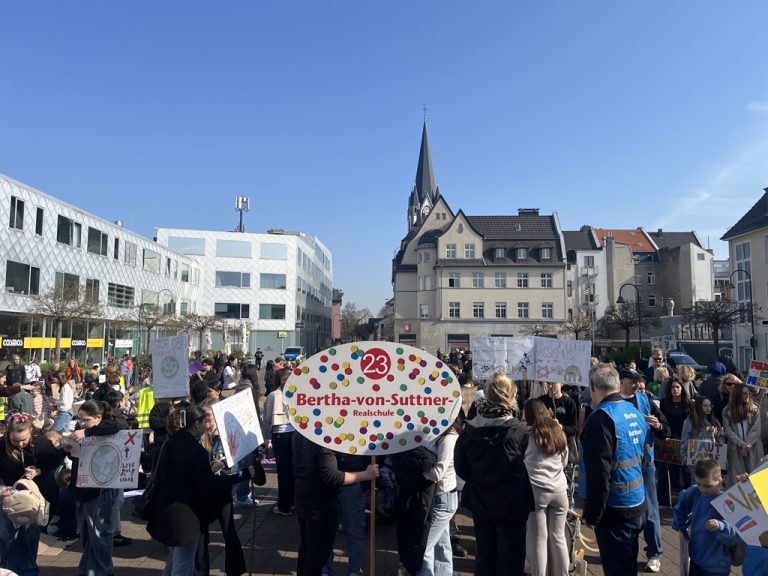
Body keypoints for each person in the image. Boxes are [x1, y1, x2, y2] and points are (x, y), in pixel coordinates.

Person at [146, 403, 264, 576]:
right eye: (203, 421)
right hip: (186, 516)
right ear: (196, 424)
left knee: (173, 560)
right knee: (183, 565)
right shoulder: (196, 450)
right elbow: (208, 485)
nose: (206, 425)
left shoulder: (170, 444)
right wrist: (239, 476)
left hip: (167, 512)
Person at [455, 372, 533, 576]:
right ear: (511, 396)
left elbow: (461, 469)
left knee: (485, 555)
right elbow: (531, 468)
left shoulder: (468, 430)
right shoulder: (520, 431)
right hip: (512, 505)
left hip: (482, 502)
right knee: (511, 559)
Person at [581, 364, 648, 576]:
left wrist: (592, 514)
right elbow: (644, 455)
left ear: (592, 386)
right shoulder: (634, 412)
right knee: (628, 565)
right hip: (637, 501)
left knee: (617, 569)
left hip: (615, 508)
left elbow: (599, 474)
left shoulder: (600, 420)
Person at [292, 433, 379, 576]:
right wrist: (365, 475)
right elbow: (331, 476)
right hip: (320, 500)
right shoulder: (321, 436)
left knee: (311, 550)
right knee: (315, 553)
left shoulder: (300, 433)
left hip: (309, 496)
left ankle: (353, 571)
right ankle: (326, 571)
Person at [64, 400, 128, 576]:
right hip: (80, 489)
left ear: (98, 418)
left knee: (100, 536)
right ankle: (89, 571)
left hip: (98, 491)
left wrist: (86, 432)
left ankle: (104, 571)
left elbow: (116, 425)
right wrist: (69, 449)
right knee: (87, 536)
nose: (81, 423)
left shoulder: (106, 427)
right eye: (80, 419)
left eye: (86, 420)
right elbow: (78, 456)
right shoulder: (82, 430)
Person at [616, 367, 668, 571]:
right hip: (621, 463)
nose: (637, 385)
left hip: (645, 463)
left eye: (639, 381)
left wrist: (657, 426)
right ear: (622, 382)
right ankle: (623, 552)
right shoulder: (612, 402)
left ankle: (654, 553)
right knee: (623, 509)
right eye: (633, 381)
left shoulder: (645, 400)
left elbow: (665, 429)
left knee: (651, 509)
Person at [0, 413, 63, 575]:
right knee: (8, 535)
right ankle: (9, 570)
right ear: (8, 434)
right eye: (15, 441)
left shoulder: (40, 442)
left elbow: (54, 460)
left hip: (35, 496)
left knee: (29, 534)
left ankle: (29, 570)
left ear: (30, 432)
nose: (20, 444)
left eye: (24, 440)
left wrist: (38, 470)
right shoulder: (2, 445)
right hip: (9, 496)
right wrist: (2, 487)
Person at [523, 399, 569, 576]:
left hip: (536, 491)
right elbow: (564, 461)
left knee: (539, 539)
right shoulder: (558, 431)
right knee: (559, 537)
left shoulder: (527, 436)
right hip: (559, 490)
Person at [672, 458, 740, 576]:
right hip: (696, 557)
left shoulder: (727, 501)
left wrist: (721, 526)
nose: (703, 489)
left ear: (720, 481)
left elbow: (737, 531)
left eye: (708, 486)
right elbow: (682, 503)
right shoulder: (696, 492)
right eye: (699, 484)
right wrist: (680, 523)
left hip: (717, 565)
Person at [413, 416, 461, 576]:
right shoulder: (438, 434)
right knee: (442, 544)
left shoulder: (449, 438)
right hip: (440, 497)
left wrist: (417, 473)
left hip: (443, 498)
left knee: (425, 546)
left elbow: (439, 472)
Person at [538, 381, 578, 505]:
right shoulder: (540, 402)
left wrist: (560, 427)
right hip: (545, 449)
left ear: (561, 384)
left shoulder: (569, 403)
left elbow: (574, 429)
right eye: (548, 383)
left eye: (554, 383)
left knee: (567, 483)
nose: (550, 386)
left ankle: (569, 508)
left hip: (564, 448)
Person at [262, 368, 295, 515]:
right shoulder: (294, 393)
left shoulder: (274, 395)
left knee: (284, 471)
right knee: (291, 469)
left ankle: (284, 505)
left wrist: (267, 438)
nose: (287, 381)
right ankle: (291, 502)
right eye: (284, 378)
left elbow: (267, 418)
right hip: (291, 434)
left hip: (282, 435)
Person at [723, 381, 763, 480]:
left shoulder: (754, 409)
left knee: (755, 476)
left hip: (753, 447)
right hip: (736, 447)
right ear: (737, 395)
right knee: (738, 479)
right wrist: (741, 444)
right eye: (744, 394)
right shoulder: (727, 411)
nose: (747, 396)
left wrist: (746, 445)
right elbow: (727, 429)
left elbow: (756, 429)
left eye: (748, 393)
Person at [681, 396, 724, 483]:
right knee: (697, 482)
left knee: (711, 481)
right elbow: (685, 437)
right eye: (705, 406)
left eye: (709, 406)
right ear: (699, 406)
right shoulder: (690, 420)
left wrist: (718, 433)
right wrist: (683, 454)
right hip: (696, 455)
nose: (708, 408)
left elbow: (720, 438)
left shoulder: (714, 420)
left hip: (711, 455)